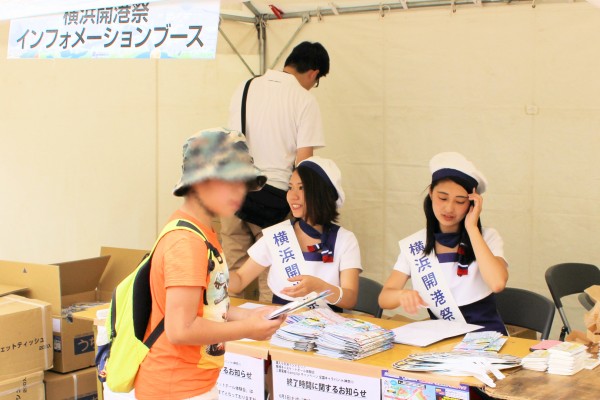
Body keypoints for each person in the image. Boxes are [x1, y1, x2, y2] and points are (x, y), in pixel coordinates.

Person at [134, 128, 285, 400]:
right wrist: (249, 329)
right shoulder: (187, 241)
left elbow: (208, 308)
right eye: (230, 181)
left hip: (191, 383)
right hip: (176, 388)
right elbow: (181, 329)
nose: (240, 193)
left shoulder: (200, 232)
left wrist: (251, 317)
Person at [222, 41, 330, 302]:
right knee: (270, 275)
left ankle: (227, 337)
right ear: (314, 73)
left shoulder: (245, 87)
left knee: (232, 275)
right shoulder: (304, 100)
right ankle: (265, 337)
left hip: (232, 191)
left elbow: (231, 139)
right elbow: (304, 166)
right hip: (272, 199)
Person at [379, 152, 508, 334]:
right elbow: (385, 298)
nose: (449, 208)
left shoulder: (487, 237)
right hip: (443, 341)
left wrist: (472, 229)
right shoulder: (416, 244)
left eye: (460, 201)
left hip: (486, 341)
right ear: (431, 193)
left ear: (472, 204)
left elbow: (497, 283)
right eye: (443, 197)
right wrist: (402, 295)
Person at [228, 156, 361, 311]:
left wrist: (320, 287)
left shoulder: (345, 240)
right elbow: (240, 280)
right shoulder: (277, 235)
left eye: (302, 188)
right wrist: (212, 271)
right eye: (290, 187)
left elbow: (350, 299)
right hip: (281, 324)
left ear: (322, 193)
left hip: (328, 329)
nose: (292, 196)